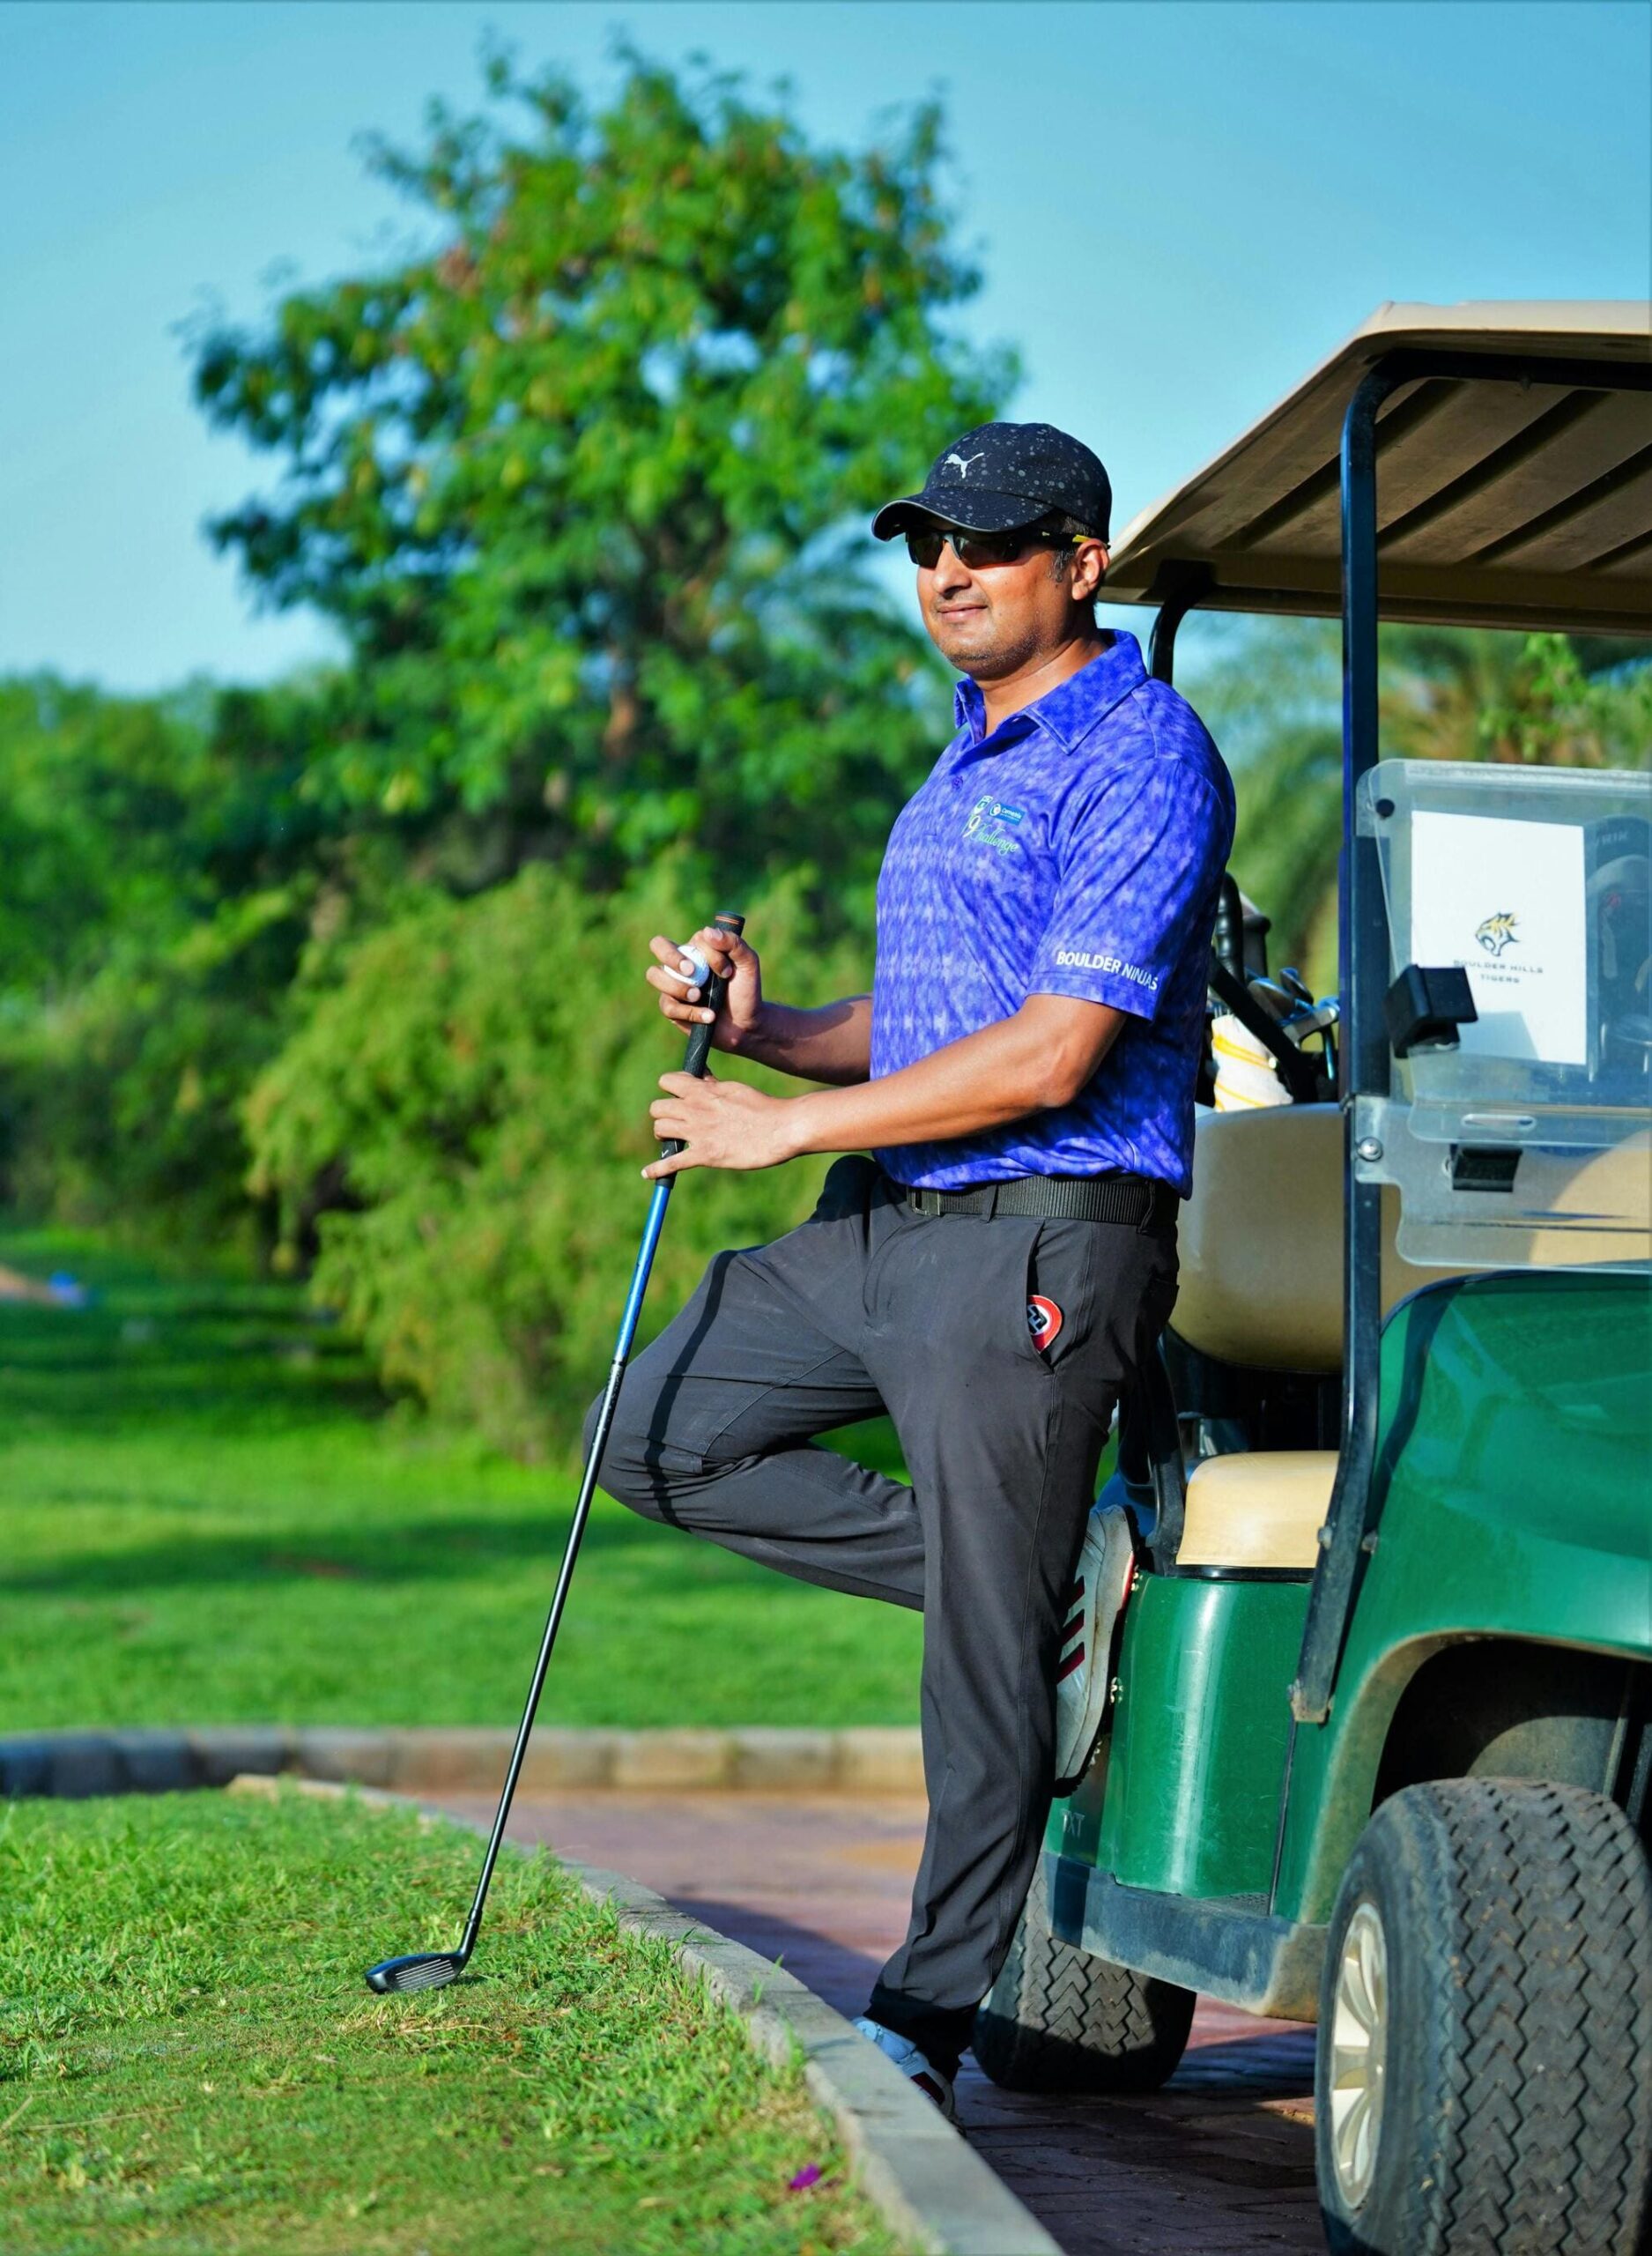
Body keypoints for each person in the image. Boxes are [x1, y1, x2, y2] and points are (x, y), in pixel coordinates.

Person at [590, 420, 1234, 2118]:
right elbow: (934, 1024)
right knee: (652, 1434)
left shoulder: (1144, 752)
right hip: (886, 1222)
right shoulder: (961, 761)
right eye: (927, 541)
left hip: (1039, 1236)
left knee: (974, 1682)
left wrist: (774, 1131)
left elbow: (1049, 1057)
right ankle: (1040, 1591)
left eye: (993, 543)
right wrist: (770, 1031)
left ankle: (919, 2030)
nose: (948, 569)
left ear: (1080, 564)